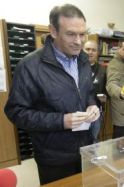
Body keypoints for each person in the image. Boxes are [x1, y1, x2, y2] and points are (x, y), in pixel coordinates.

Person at [4, 4, 100, 185]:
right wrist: (61, 121)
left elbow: (88, 92)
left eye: (82, 34)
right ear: (53, 31)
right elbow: (15, 112)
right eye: (71, 34)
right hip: (54, 158)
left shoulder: (84, 59)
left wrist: (92, 104)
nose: (79, 41)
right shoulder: (30, 65)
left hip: (87, 149)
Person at [83, 40, 107, 142]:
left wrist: (105, 97)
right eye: (87, 49)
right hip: (80, 111)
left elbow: (106, 89)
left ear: (97, 53)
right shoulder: (75, 67)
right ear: (82, 50)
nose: (90, 52)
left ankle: (93, 157)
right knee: (80, 140)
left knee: (94, 139)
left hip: (96, 112)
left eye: (94, 50)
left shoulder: (103, 70)